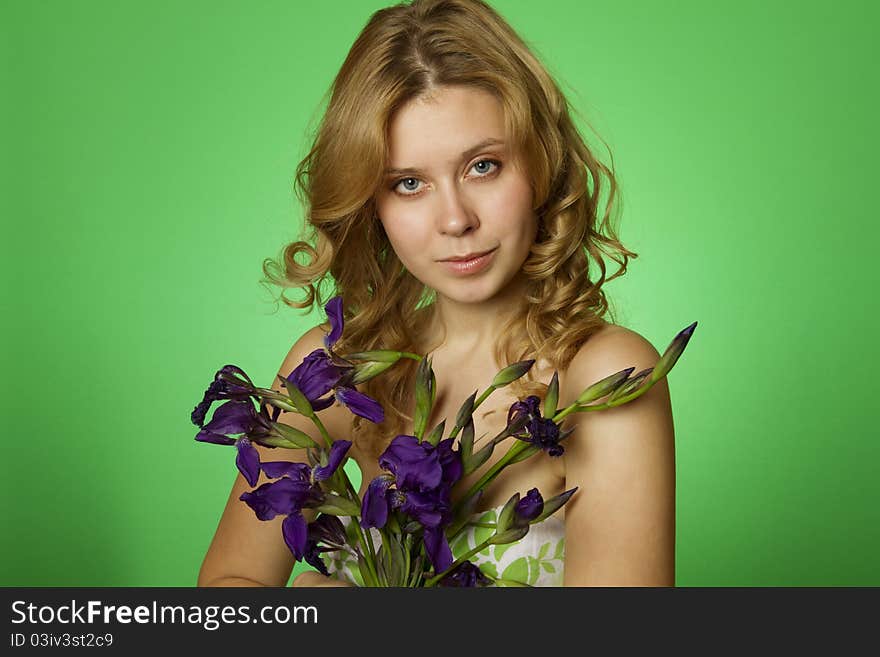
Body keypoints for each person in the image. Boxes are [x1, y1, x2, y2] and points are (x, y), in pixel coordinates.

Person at [197, 0, 675, 588]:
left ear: (540, 164)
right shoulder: (335, 370)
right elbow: (227, 589)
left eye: (483, 166)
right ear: (371, 202)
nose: (454, 219)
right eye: (408, 183)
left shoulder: (599, 378)